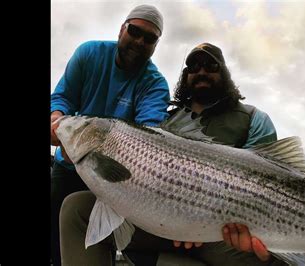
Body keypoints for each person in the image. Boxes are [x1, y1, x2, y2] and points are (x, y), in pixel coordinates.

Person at [58, 43, 286, 265]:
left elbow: (270, 183)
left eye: (211, 66)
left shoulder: (255, 119)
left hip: (222, 233)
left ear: (224, 72)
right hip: (157, 221)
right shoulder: (163, 122)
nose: (202, 71)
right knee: (77, 208)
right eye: (193, 67)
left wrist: (198, 215)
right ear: (185, 75)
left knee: (270, 252)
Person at [50, 4, 170, 265]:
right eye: (134, 31)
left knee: (96, 239)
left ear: (156, 44)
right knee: (54, 235)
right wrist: (56, 119)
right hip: (69, 163)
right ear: (121, 29)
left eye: (149, 38)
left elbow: (149, 137)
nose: (139, 41)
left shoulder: (155, 84)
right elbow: (62, 97)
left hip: (117, 178)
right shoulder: (89, 53)